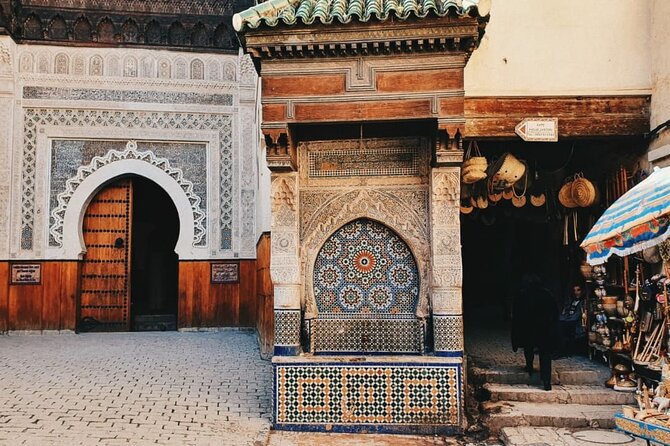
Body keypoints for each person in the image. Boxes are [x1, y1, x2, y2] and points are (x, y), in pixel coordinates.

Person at [511, 274, 560, 391]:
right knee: (545, 354)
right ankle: (546, 381)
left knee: (528, 347)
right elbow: (555, 312)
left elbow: (516, 313)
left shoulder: (522, 295)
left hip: (528, 327)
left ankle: (529, 366)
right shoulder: (547, 294)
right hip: (544, 328)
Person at [558, 283, 586, 356]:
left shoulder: (583, 302)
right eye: (574, 290)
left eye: (578, 290)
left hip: (577, 324)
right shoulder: (571, 301)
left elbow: (576, 316)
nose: (576, 292)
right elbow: (566, 312)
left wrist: (565, 320)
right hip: (569, 321)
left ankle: (562, 351)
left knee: (562, 327)